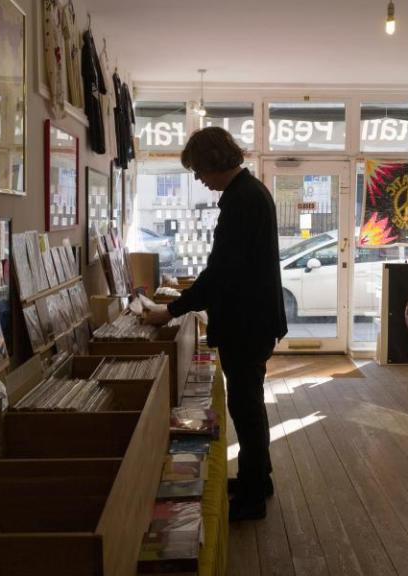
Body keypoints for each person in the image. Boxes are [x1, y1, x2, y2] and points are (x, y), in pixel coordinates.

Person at [143, 127, 287, 521]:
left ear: (213, 160)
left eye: (198, 170)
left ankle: (254, 495)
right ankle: (259, 477)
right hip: (254, 320)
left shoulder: (242, 201)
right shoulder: (248, 194)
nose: (198, 179)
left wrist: (171, 311)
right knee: (248, 404)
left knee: (246, 405)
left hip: (247, 323)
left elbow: (220, 273)